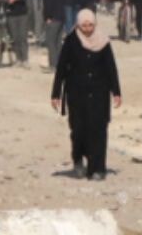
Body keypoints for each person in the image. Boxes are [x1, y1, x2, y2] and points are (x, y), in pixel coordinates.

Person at [52, 9, 121, 181]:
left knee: (98, 130)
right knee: (79, 130)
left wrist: (116, 92)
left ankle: (97, 168)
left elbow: (111, 68)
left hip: (99, 92)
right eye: (84, 25)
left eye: (91, 25)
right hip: (76, 93)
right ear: (78, 24)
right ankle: (78, 159)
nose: (88, 29)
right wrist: (56, 94)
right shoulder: (71, 41)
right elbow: (61, 69)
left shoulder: (103, 41)